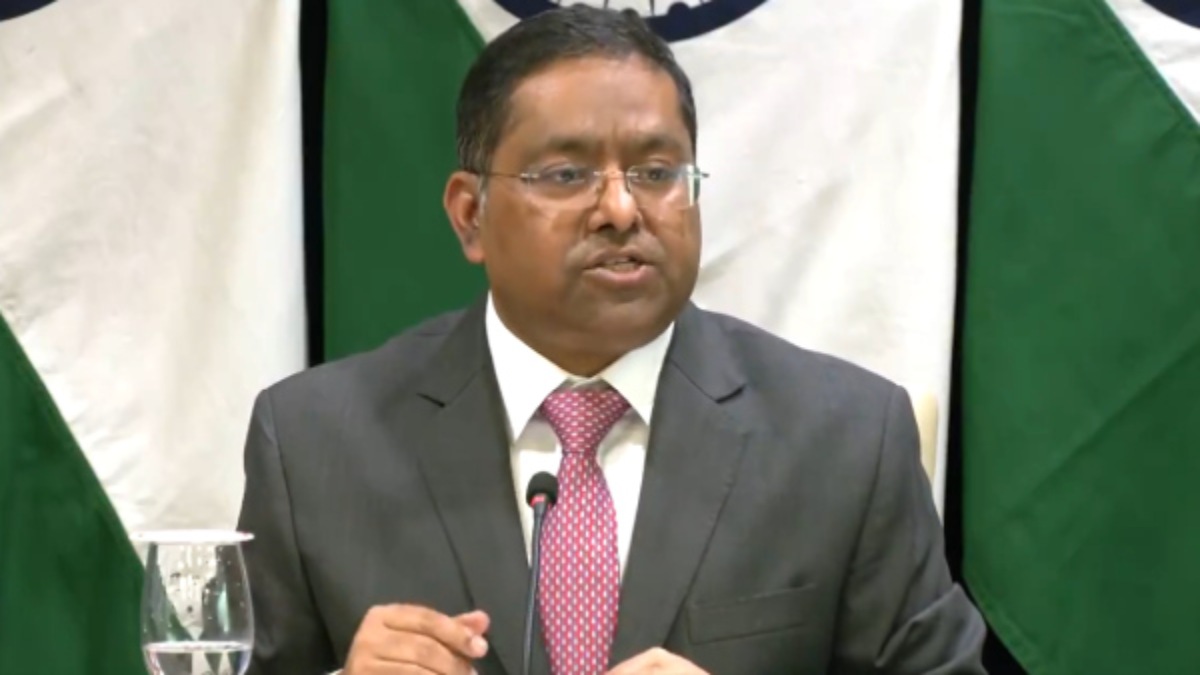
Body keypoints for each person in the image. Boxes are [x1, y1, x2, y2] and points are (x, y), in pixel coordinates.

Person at [237, 6, 987, 675]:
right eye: (567, 174)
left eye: (656, 172)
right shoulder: (313, 445)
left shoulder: (845, 439)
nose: (622, 209)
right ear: (470, 215)